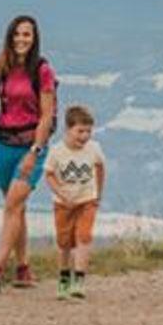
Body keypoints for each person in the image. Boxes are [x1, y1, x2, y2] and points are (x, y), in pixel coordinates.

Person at [0, 14, 57, 292]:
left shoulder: (42, 71)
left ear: (34, 39)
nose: (21, 39)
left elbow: (47, 115)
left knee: (12, 206)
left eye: (26, 34)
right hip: (3, 144)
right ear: (9, 36)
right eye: (17, 34)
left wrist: (35, 151)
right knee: (16, 208)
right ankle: (24, 269)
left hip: (31, 145)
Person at [44, 105, 105, 300]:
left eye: (88, 131)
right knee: (64, 243)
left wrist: (98, 192)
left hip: (87, 201)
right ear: (68, 129)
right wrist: (60, 193)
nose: (85, 136)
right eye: (80, 131)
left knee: (84, 237)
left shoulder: (94, 148)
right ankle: (64, 278)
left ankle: (79, 280)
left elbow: (100, 167)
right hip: (63, 204)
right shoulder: (57, 152)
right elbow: (49, 174)